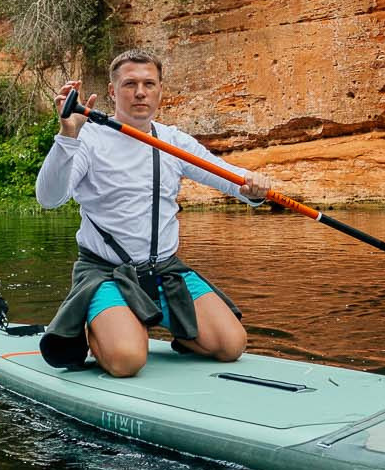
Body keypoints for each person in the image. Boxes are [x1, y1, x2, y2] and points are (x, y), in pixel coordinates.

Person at [35, 49, 270, 376]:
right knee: (128, 361)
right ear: (113, 91)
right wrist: (68, 134)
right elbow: (49, 198)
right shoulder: (87, 138)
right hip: (107, 273)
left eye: (149, 83)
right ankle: (95, 327)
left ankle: (176, 332)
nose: (140, 92)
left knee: (231, 346)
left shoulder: (173, 141)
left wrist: (252, 189)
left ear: (160, 89)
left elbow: (228, 176)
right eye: (130, 84)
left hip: (164, 271)